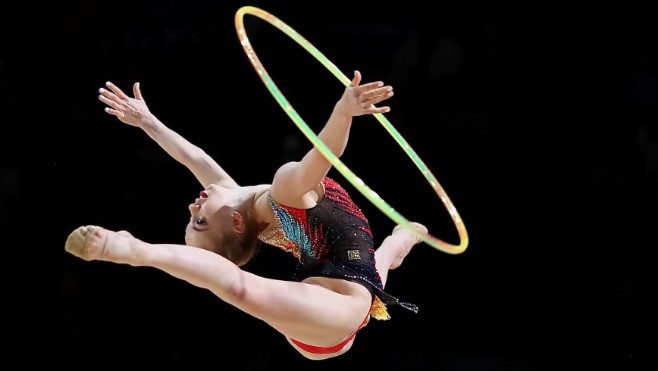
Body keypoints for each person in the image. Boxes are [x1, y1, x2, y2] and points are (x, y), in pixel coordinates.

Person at [64, 70, 429, 361]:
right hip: (339, 308)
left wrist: (147, 121)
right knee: (237, 286)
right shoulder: (285, 192)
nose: (192, 207)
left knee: (379, 261)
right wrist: (343, 112)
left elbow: (195, 159)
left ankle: (401, 238)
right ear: (236, 224)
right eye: (199, 220)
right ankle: (132, 250)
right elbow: (321, 156)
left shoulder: (239, 203)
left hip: (329, 294)